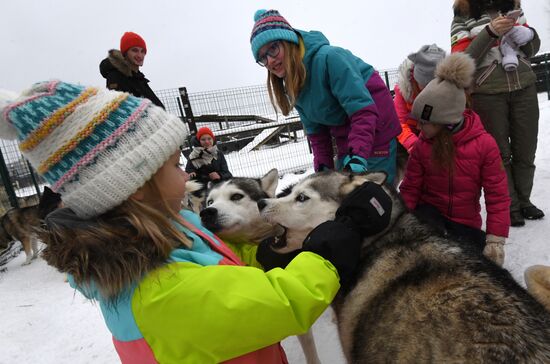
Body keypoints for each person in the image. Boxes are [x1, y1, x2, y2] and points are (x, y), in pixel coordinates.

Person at [0, 80, 376, 363]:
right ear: (134, 185)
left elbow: (220, 267)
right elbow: (281, 303)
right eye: (174, 165)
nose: (186, 177)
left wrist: (268, 253)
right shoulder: (159, 293)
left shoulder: (164, 229)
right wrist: (328, 249)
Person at [250, 9, 401, 184]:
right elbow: (317, 134)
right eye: (262, 57)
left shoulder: (330, 58)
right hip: (347, 137)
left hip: (375, 130)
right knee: (339, 198)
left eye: (273, 49)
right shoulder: (293, 84)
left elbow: (363, 112)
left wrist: (358, 156)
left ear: (288, 41)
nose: (270, 61)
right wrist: (322, 171)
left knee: (372, 198)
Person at [399, 53, 511, 267]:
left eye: (424, 122)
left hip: (464, 224)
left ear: (445, 121)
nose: (418, 128)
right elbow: (411, 188)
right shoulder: (423, 145)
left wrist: (495, 239)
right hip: (429, 217)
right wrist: (401, 219)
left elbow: (497, 195)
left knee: (468, 265)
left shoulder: (484, 145)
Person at [451, 0, 543, 227]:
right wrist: (490, 32)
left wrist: (529, 35)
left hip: (525, 87)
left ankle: (524, 201)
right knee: (499, 154)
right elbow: (462, 60)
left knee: (526, 148)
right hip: (487, 93)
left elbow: (531, 50)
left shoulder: (512, 7)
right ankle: (510, 206)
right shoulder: (463, 16)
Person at [394, 44, 446, 155]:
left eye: (434, 84)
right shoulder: (403, 91)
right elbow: (399, 123)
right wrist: (413, 144)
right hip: (410, 137)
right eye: (424, 84)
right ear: (415, 78)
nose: (428, 89)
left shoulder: (449, 91)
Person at [99, 31, 165, 108]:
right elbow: (121, 110)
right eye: (135, 50)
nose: (140, 55)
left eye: (142, 51)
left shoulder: (139, 79)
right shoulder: (116, 76)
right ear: (125, 53)